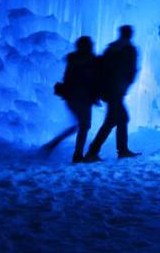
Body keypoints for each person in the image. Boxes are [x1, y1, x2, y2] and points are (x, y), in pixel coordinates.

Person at [84, 25, 140, 161]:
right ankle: (118, 150)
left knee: (113, 120)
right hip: (114, 91)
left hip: (111, 91)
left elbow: (104, 70)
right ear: (129, 34)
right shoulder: (127, 49)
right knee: (121, 118)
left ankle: (97, 150)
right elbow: (127, 71)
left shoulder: (113, 48)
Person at [46, 35, 100, 163]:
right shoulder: (88, 60)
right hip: (82, 98)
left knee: (80, 125)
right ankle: (77, 155)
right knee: (84, 125)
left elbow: (70, 79)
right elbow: (89, 80)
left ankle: (53, 145)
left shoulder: (74, 59)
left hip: (72, 98)